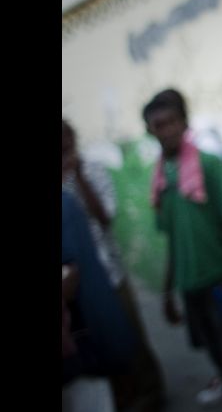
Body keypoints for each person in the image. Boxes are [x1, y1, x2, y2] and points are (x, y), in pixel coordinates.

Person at [142, 89, 222, 410]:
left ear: (184, 123)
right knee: (218, 357)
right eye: (158, 124)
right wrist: (169, 292)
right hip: (190, 286)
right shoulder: (160, 179)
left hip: (220, 280)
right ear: (149, 130)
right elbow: (173, 239)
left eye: (171, 122)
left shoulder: (208, 165)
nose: (166, 130)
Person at [62, 119, 166, 412]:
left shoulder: (93, 170)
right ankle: (123, 395)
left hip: (109, 273)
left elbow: (105, 216)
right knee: (96, 344)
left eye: (67, 141)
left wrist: (79, 177)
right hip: (76, 281)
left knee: (129, 335)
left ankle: (153, 392)